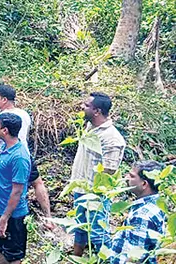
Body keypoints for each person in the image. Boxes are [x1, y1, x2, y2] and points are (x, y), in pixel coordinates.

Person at [0, 84, 54, 226]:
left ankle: (4, 218)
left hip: (5, 158)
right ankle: (48, 218)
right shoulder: (24, 115)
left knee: (8, 188)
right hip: (24, 156)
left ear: (4, 99)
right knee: (37, 183)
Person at [70, 92, 126, 256]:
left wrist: (95, 193)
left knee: (97, 232)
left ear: (97, 111)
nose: (82, 107)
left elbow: (109, 171)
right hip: (80, 187)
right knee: (80, 227)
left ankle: (109, 259)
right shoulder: (89, 127)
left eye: (87, 105)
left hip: (96, 194)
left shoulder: (112, 138)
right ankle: (76, 258)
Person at [0, 113, 32, 264]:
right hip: (0, 210)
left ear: (5, 130)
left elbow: (17, 191)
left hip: (12, 216)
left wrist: (4, 219)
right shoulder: (6, 148)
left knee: (14, 254)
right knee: (1, 247)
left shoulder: (19, 157)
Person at [105, 161, 167, 264]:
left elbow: (134, 258)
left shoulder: (142, 215)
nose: (126, 177)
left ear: (144, 184)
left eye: (132, 176)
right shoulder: (157, 203)